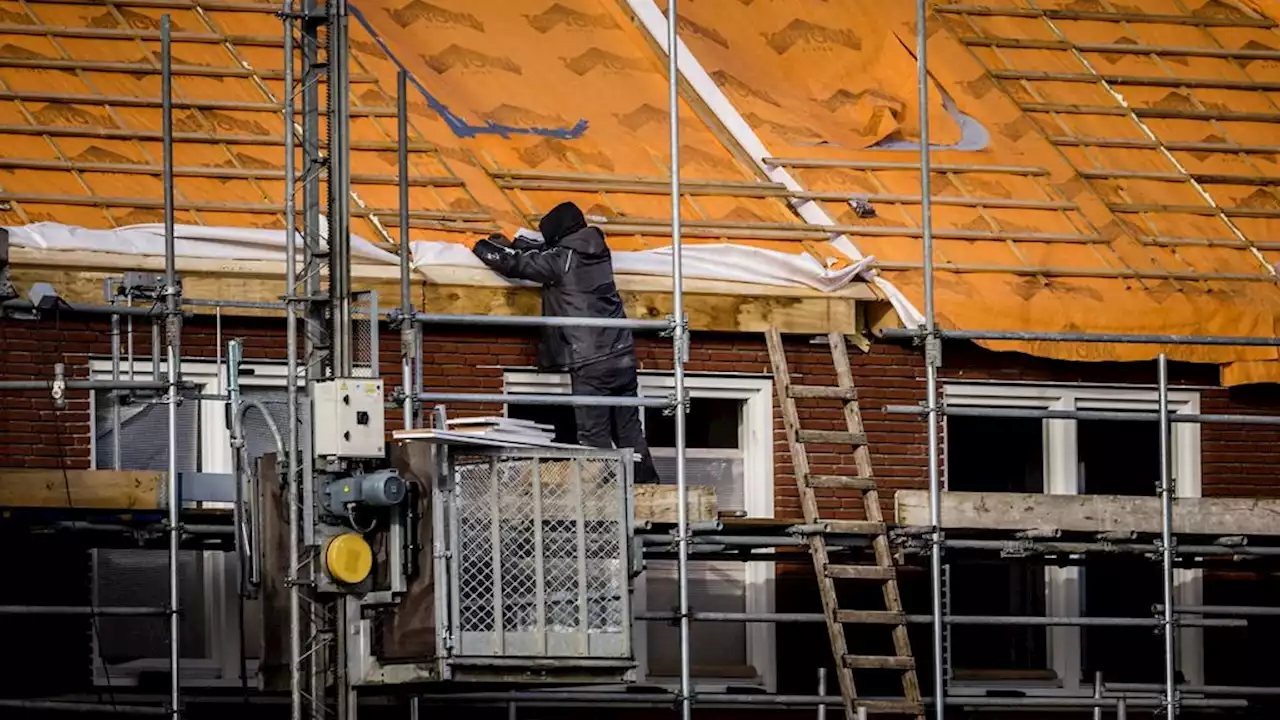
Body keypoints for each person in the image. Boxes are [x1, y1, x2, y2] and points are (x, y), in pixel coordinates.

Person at [472, 201, 660, 484]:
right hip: (621, 355)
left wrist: (480, 248)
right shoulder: (596, 249)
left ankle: (604, 500)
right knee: (629, 430)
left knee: (593, 436)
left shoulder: (561, 260)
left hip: (590, 360)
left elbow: (516, 265)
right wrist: (515, 242)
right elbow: (547, 254)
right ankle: (647, 489)